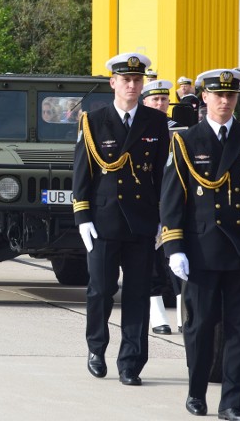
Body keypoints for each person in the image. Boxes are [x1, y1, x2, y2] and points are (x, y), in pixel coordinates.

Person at [161, 68, 240, 421]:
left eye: (231, 95)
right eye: (218, 95)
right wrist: (174, 248)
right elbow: (172, 199)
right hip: (201, 251)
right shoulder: (185, 140)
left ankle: (232, 403)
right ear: (205, 99)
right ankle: (197, 392)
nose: (225, 101)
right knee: (200, 327)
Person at [72, 52, 169, 387]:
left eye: (137, 80)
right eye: (126, 80)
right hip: (103, 221)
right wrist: (83, 216)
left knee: (138, 296)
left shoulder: (155, 123)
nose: (131, 85)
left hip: (141, 223)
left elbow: (160, 176)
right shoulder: (94, 121)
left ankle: (131, 362)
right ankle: (96, 349)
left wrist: (162, 220)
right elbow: (82, 174)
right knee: (100, 291)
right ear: (113, 83)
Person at [140, 80, 180, 335]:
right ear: (145, 102)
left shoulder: (180, 131)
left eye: (164, 100)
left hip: (175, 202)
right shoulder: (137, 128)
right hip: (149, 204)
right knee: (152, 261)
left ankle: (184, 314)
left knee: (179, 258)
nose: (160, 104)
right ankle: (157, 315)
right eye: (154, 100)